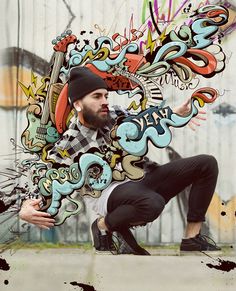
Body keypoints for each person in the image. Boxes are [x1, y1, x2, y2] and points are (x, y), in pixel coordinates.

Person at [19, 67, 220, 255]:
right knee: (152, 203)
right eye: (97, 96)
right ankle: (102, 226)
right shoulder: (68, 144)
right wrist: (25, 208)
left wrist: (176, 113)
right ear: (77, 104)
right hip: (109, 194)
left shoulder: (114, 114)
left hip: (143, 177)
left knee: (206, 164)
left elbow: (145, 118)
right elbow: (45, 179)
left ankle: (191, 238)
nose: (104, 101)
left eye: (106, 95)